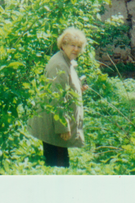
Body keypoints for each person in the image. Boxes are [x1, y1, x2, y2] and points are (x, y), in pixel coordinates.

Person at [27, 27, 90, 167]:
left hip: (54, 121)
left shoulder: (65, 60)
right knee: (58, 165)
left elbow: (64, 88)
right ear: (63, 45)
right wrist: (63, 127)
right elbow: (56, 98)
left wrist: (78, 89)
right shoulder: (60, 65)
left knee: (58, 164)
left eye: (79, 46)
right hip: (54, 124)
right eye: (72, 45)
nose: (76, 49)